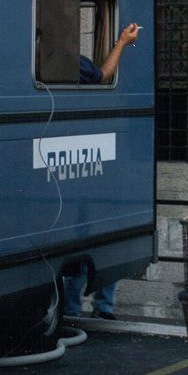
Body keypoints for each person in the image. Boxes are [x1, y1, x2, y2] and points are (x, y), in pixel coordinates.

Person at [64, 22, 141, 320]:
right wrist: (122, 42)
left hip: (75, 161)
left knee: (78, 237)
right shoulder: (73, 63)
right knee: (107, 235)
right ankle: (103, 306)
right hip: (99, 158)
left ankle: (73, 308)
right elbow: (104, 75)